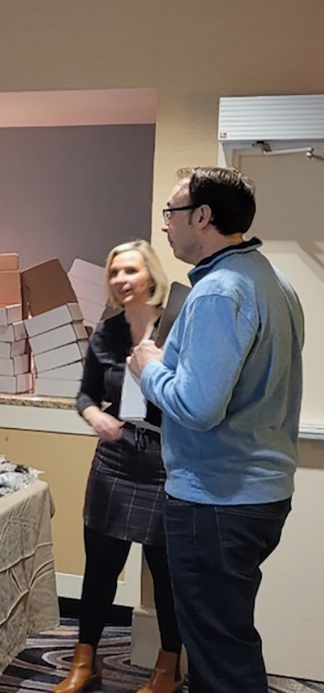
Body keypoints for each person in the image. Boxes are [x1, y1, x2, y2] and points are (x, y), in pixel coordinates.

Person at [129, 167, 304, 692]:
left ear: (202, 217)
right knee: (227, 637)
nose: (165, 226)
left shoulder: (216, 293)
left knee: (218, 655)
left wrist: (149, 368)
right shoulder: (275, 282)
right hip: (258, 496)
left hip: (216, 503)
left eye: (171, 213)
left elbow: (198, 406)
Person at [55, 241, 181, 693]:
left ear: (151, 275)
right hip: (115, 458)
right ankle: (85, 663)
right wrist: (94, 416)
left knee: (166, 571)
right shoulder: (107, 332)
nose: (121, 280)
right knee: (101, 566)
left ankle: (167, 669)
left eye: (130, 270)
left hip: (168, 460)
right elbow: (86, 394)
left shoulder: (178, 324)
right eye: (114, 273)